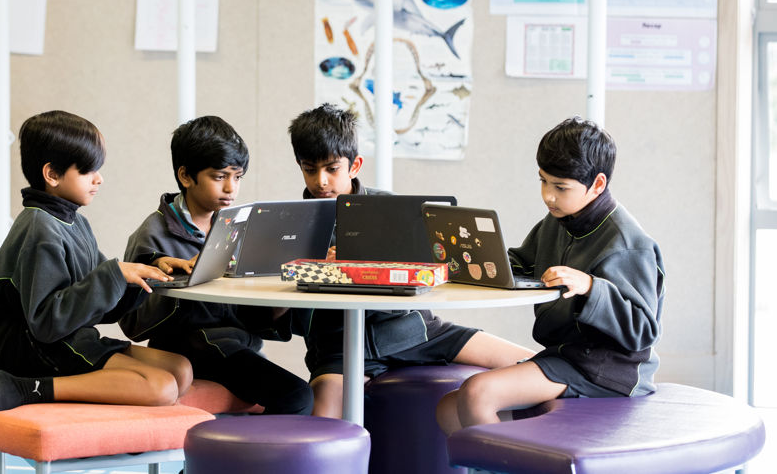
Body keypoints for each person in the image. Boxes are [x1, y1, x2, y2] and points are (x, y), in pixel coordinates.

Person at [288, 104, 533, 418]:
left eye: (331, 168)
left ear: (354, 165)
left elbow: (427, 273)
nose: (321, 180)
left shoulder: (390, 208)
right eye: (310, 169)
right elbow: (293, 319)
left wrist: (367, 265)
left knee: (535, 368)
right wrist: (317, 269)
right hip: (341, 348)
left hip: (417, 331)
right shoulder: (294, 226)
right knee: (324, 432)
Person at [436, 117, 665, 435]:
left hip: (609, 368)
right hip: (566, 356)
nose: (548, 196)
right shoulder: (560, 219)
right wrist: (478, 260)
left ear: (597, 185)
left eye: (560, 187)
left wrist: (590, 287)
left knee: (478, 392)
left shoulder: (627, 244)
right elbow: (524, 262)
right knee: (449, 408)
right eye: (543, 181)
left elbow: (643, 330)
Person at [0, 111, 192, 421]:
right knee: (162, 388)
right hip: (30, 351)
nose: (99, 178)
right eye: (88, 170)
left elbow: (101, 303)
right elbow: (47, 322)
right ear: (52, 175)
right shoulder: (40, 229)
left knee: (180, 370)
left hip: (65, 338)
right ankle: (25, 388)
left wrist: (151, 270)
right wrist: (115, 274)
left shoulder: (75, 223)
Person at [119, 116, 314, 415]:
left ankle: (224, 462)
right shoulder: (152, 235)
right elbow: (132, 324)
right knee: (297, 397)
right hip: (188, 346)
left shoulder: (235, 225)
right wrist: (189, 279)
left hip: (233, 344)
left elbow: (246, 314)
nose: (230, 188)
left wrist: (285, 277)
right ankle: (239, 462)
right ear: (185, 176)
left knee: (295, 393)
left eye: (237, 177)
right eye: (219, 176)